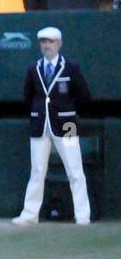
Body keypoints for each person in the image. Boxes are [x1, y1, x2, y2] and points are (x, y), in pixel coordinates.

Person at [13, 27, 91, 227]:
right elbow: (27, 96)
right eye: (44, 42)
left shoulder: (71, 67)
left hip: (67, 125)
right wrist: (36, 113)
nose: (47, 45)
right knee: (37, 171)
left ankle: (82, 215)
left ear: (59, 44)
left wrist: (70, 113)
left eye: (51, 41)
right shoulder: (34, 68)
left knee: (75, 169)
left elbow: (83, 95)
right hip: (40, 123)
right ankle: (30, 214)